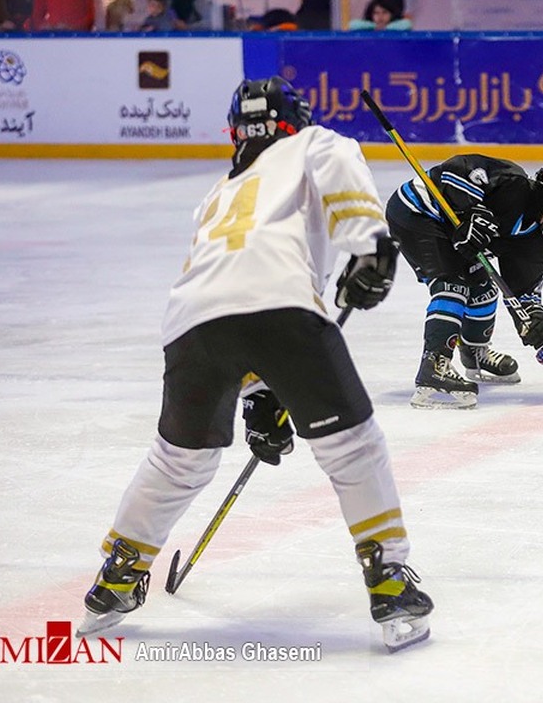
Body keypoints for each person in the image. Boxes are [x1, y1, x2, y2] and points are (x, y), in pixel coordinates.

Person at [77, 76, 433, 653]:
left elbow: (231, 302)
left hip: (189, 327)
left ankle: (119, 572)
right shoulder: (313, 144)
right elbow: (338, 172)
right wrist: (371, 245)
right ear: (295, 122)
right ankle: (389, 578)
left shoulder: (218, 194)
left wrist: (263, 393)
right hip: (282, 308)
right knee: (353, 449)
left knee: (177, 461)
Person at [385, 154, 543, 409]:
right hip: (417, 211)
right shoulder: (511, 182)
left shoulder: (542, 244)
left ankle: (475, 353)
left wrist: (536, 320)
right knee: (453, 283)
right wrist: (468, 211)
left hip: (448, 234)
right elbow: (455, 170)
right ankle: (434, 366)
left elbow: (523, 293)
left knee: (483, 288)